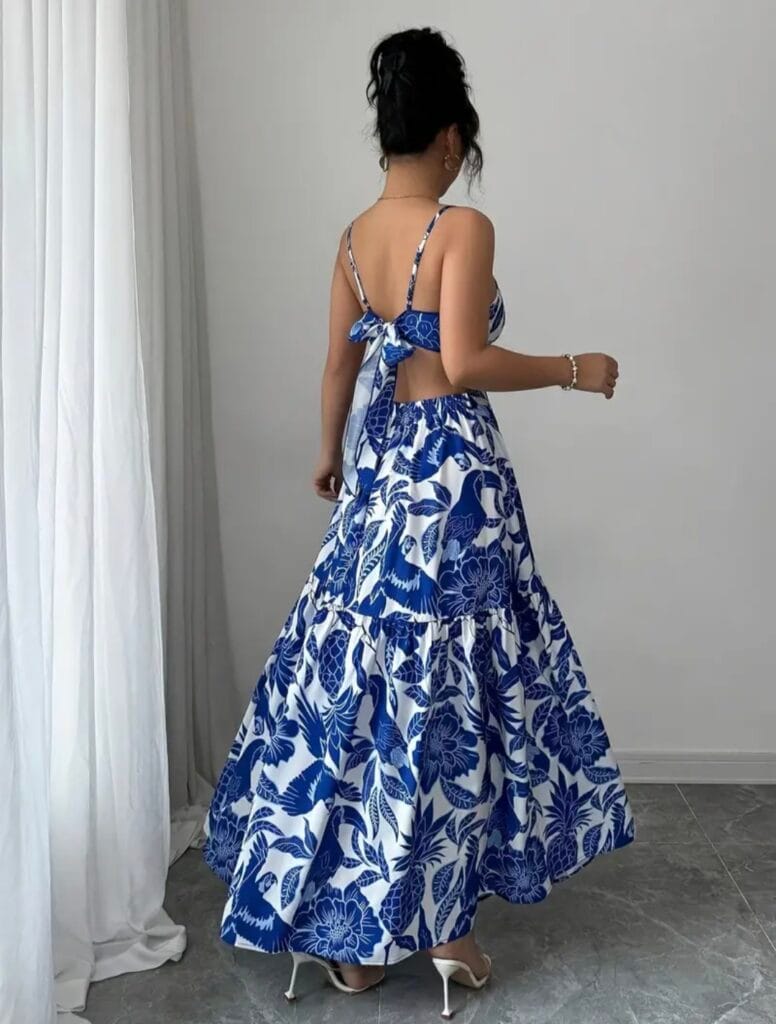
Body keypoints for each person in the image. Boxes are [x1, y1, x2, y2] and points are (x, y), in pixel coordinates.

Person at [203, 25, 635, 1019]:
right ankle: (444, 927)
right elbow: (466, 361)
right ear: (449, 135)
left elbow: (339, 365)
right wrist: (574, 368)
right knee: (452, 687)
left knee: (369, 678)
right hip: (453, 476)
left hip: (379, 464)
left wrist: (327, 453)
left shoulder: (354, 237)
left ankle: (355, 938)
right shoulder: (460, 228)